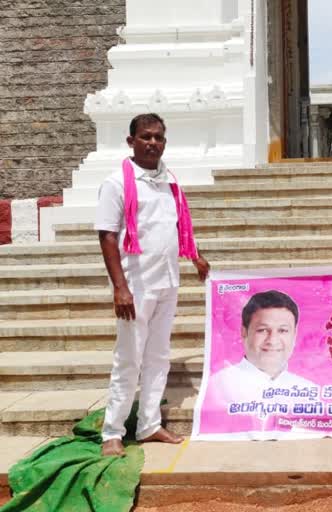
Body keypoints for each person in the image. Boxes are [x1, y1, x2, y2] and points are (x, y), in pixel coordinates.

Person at [95, 113, 210, 457]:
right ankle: (112, 432)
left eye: (159, 137)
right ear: (131, 141)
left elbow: (177, 227)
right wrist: (120, 287)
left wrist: (196, 257)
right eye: (145, 137)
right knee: (128, 359)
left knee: (159, 357)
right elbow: (107, 236)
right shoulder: (116, 183)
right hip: (136, 285)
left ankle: (148, 425)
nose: (153, 143)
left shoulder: (169, 180)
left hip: (166, 281)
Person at [207, 290, 315, 406]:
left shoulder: (309, 391)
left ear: (294, 334)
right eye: (262, 330)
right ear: (244, 332)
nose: (272, 341)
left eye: (282, 330)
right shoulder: (217, 387)